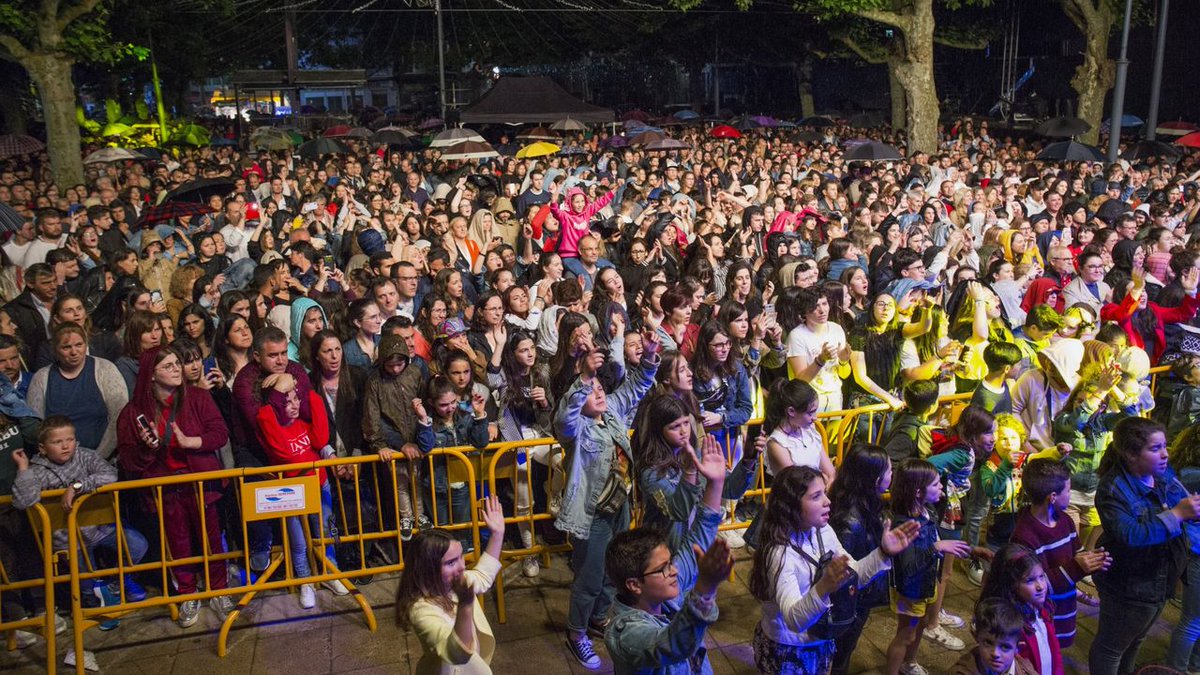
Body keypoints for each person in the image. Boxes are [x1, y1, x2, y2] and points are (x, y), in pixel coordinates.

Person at [555, 327, 660, 670]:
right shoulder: (575, 429)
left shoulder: (611, 412)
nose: (598, 393)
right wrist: (585, 377)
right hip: (593, 513)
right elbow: (566, 415)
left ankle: (600, 618)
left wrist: (648, 357)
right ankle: (576, 633)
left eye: (600, 388)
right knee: (588, 577)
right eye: (591, 391)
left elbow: (635, 387)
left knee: (613, 572)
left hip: (620, 507)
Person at [750, 465, 918, 674]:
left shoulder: (823, 531)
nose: (828, 501)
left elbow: (853, 573)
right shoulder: (780, 554)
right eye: (816, 496)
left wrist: (883, 553)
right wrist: (823, 588)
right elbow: (795, 621)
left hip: (819, 643)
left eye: (824, 493)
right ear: (791, 506)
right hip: (789, 649)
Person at [115, 346, 233, 628]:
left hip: (200, 481)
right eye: (167, 366)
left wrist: (192, 442)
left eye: (176, 363)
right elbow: (129, 460)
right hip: (165, 488)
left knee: (212, 540)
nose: (176, 369)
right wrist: (148, 449)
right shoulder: (134, 413)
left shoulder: (198, 397)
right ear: (150, 375)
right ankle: (187, 592)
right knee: (177, 543)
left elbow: (219, 432)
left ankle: (219, 589)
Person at [603, 423, 731, 675]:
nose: (674, 571)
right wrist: (704, 589)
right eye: (663, 568)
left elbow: (699, 537)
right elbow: (673, 645)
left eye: (670, 563)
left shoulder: (661, 587)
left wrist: (715, 484)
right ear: (634, 584)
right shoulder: (626, 634)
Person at [1090, 417, 1200, 675]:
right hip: (1129, 584)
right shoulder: (1113, 488)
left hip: (1157, 581)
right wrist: (1177, 515)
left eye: (1165, 446)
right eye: (1155, 448)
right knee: (1111, 648)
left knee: (1135, 641)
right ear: (1130, 454)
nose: (1165, 454)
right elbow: (1132, 534)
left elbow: (1177, 499)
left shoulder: (1161, 474)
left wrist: (1191, 510)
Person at [254, 372, 348, 608]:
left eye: (296, 399)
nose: (293, 405)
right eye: (285, 402)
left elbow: (320, 438)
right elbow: (281, 449)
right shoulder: (269, 425)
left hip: (319, 483)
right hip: (291, 491)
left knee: (324, 534)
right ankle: (305, 580)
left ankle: (329, 573)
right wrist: (276, 394)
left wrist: (302, 389)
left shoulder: (304, 424)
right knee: (298, 542)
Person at [395, 496, 508, 675]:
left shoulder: (454, 583)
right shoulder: (420, 610)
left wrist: (498, 534)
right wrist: (466, 604)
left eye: (461, 556)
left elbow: (483, 575)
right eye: (451, 562)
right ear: (428, 569)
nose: (462, 566)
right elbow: (457, 654)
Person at [884, 458, 975, 675]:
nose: (941, 487)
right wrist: (936, 547)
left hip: (926, 583)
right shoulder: (904, 525)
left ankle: (909, 663)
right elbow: (908, 567)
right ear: (917, 492)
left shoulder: (927, 510)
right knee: (905, 634)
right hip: (910, 591)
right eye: (935, 484)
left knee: (922, 624)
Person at [1009, 458, 1110, 648]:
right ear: (1053, 497)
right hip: (1042, 615)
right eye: (1068, 490)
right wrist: (1076, 568)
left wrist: (1092, 562)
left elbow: (1075, 555)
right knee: (1041, 653)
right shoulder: (1024, 538)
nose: (1070, 494)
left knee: (1056, 652)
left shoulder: (1065, 520)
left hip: (1064, 608)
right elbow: (1033, 587)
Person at [828, 445, 895, 675]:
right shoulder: (850, 521)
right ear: (875, 479)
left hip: (859, 600)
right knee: (839, 655)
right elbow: (843, 573)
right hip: (849, 605)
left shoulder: (864, 503)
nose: (892, 474)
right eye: (888, 470)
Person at [26, 323, 128, 460]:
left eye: (79, 345)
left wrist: (97, 458)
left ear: (86, 345)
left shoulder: (105, 369)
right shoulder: (41, 378)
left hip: (103, 458)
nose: (74, 352)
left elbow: (119, 417)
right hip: (57, 463)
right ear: (55, 350)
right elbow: (37, 428)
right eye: (66, 347)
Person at [977, 544, 1061, 674]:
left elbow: (1054, 652)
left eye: (1041, 576)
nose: (1040, 586)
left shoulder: (1043, 610)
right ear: (1011, 585)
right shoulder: (1008, 625)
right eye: (1030, 581)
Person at [950, 598, 1038, 675]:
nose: (995, 653)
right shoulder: (961, 672)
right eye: (988, 642)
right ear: (976, 637)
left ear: (1018, 648)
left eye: (1005, 647)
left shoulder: (1026, 670)